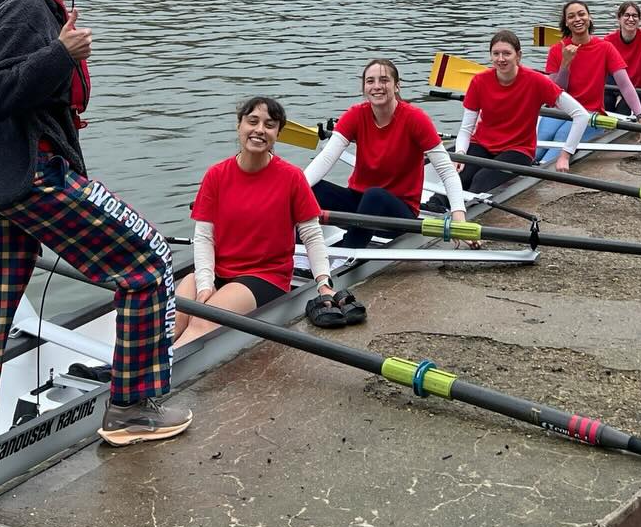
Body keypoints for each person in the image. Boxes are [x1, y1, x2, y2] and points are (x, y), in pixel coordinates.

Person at [0, 0, 189, 452]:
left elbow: (9, 94)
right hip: (33, 178)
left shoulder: (26, 2)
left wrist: (58, 88)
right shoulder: (27, 5)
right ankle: (131, 409)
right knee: (149, 264)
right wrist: (61, 54)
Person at [177, 96, 335, 346]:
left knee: (202, 321)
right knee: (169, 317)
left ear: (278, 134)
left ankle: (166, 366)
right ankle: (138, 363)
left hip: (265, 277)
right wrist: (206, 285)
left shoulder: (292, 177)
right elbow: (204, 237)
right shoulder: (216, 175)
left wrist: (324, 284)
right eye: (252, 122)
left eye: (269, 125)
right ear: (239, 126)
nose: (260, 130)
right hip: (219, 270)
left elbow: (312, 236)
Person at [304, 58, 466, 247]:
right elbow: (325, 158)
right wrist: (292, 189)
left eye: (384, 80)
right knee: (310, 188)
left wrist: (458, 215)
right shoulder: (355, 115)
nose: (377, 86)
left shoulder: (416, 119)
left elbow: (447, 171)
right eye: (370, 81)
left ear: (397, 86)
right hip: (360, 205)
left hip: (399, 214)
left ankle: (347, 252)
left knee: (374, 196)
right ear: (364, 88)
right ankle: (294, 248)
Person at [453, 29, 588, 193]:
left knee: (481, 181)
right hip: (482, 144)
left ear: (518, 56)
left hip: (519, 150)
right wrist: (460, 153)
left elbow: (581, 115)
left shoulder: (536, 81)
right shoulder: (479, 81)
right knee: (458, 178)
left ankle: (466, 207)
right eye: (496, 54)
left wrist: (565, 155)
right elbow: (466, 128)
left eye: (506, 53)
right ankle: (434, 205)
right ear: (490, 56)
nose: (501, 59)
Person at [539, 1, 641, 149]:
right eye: (571, 16)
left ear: (589, 18)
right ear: (566, 23)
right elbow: (555, 93)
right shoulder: (557, 49)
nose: (577, 19)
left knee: (561, 138)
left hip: (589, 113)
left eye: (581, 14)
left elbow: (625, 86)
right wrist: (565, 64)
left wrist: (640, 116)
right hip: (560, 110)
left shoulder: (605, 48)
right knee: (542, 138)